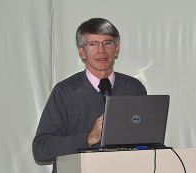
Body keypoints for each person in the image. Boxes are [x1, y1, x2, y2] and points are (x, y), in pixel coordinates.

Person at [32, 18, 147, 173]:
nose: (101, 50)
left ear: (117, 49)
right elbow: (41, 149)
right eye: (93, 44)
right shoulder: (64, 91)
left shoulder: (134, 88)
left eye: (107, 42)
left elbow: (145, 143)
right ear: (82, 52)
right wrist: (88, 138)